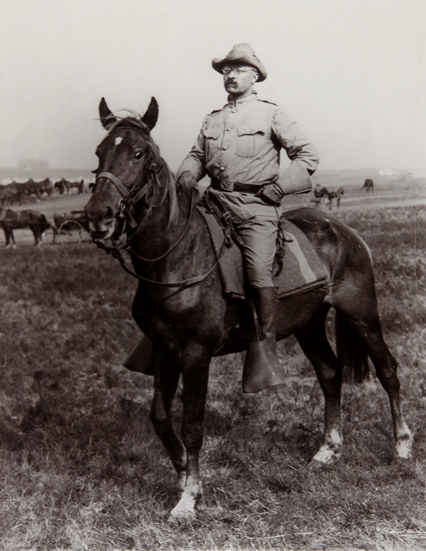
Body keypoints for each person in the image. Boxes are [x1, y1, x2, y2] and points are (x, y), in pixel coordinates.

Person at [176, 43, 319, 385]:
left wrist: (280, 188)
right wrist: (186, 174)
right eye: (226, 70)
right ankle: (162, 336)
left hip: (256, 208)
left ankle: (265, 350)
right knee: (179, 252)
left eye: (238, 69)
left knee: (257, 269)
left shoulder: (272, 114)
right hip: (214, 203)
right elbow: (197, 155)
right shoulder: (213, 119)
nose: (230, 75)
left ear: (254, 76)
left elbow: (308, 156)